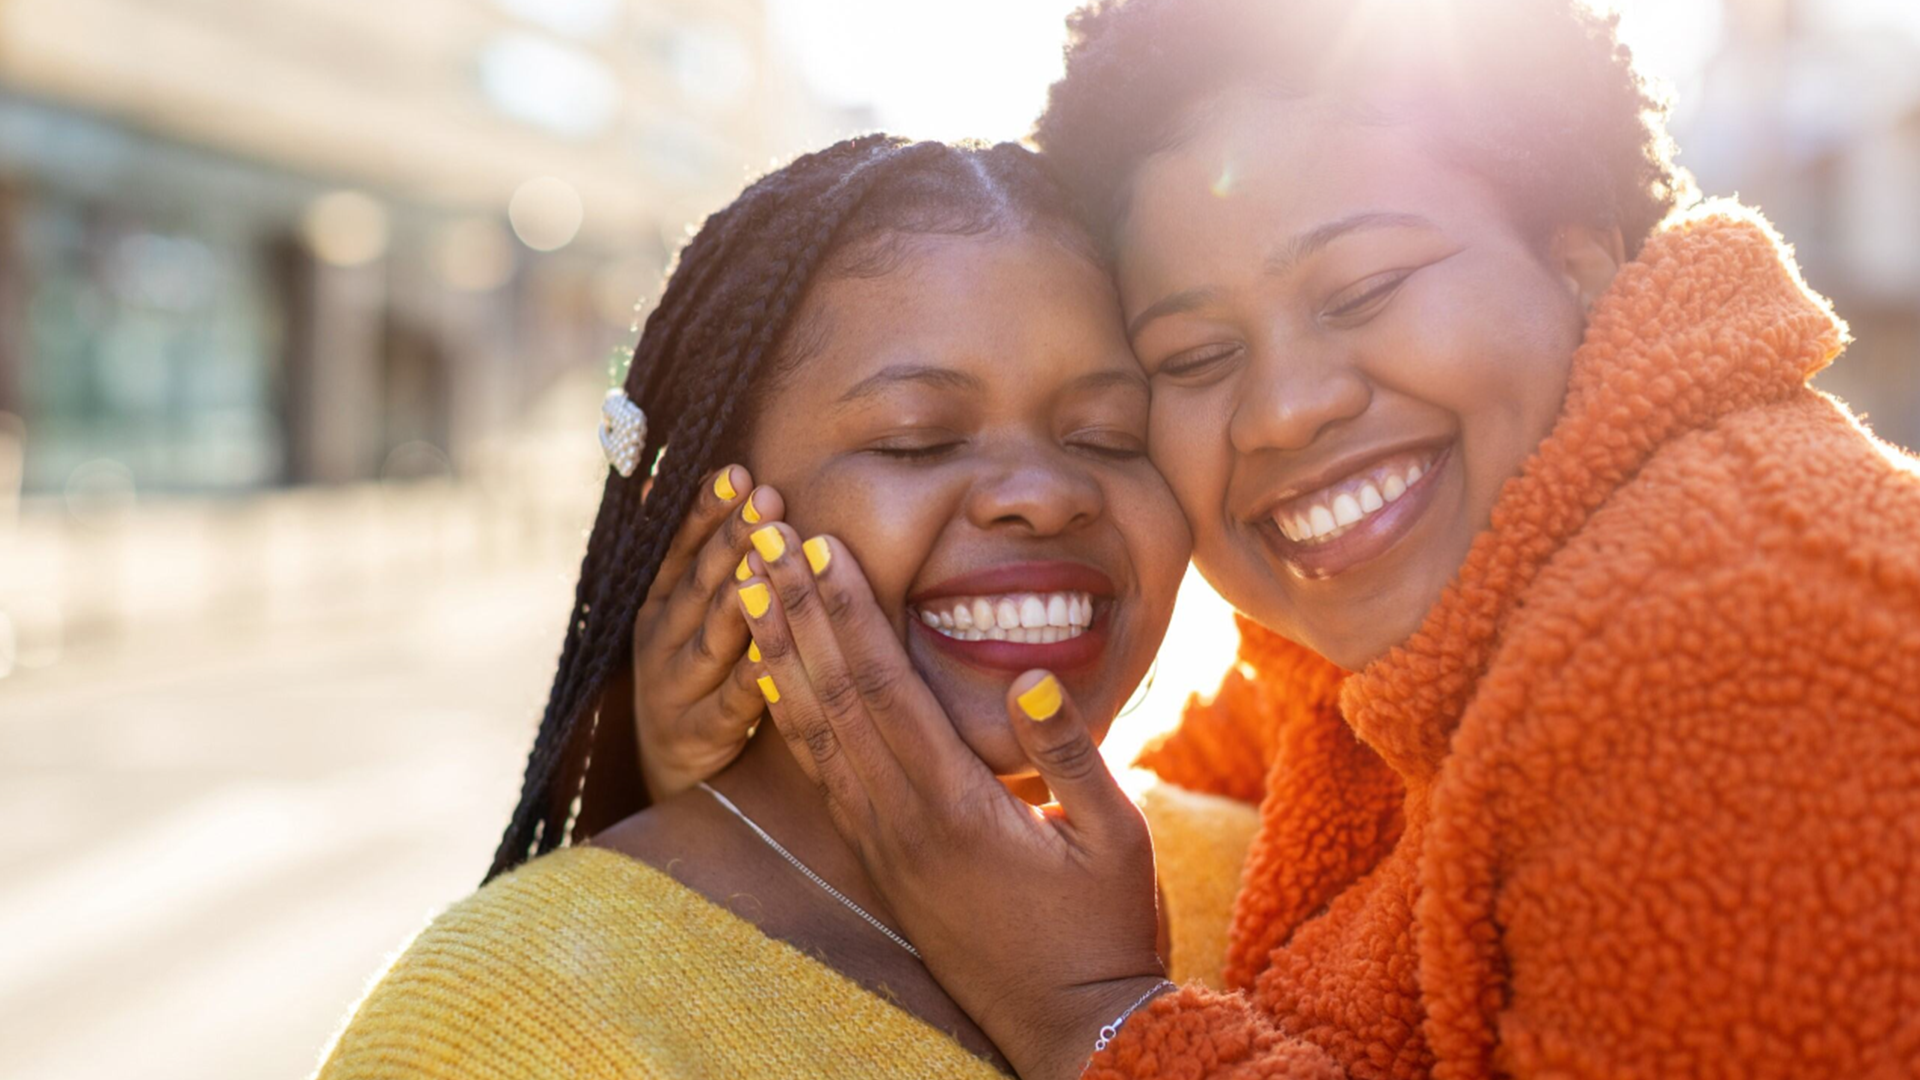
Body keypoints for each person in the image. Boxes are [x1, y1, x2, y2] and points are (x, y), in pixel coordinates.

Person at [641, 0, 1920, 1077]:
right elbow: (1199, 779)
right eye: (1194, 357)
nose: (1288, 407)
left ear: (1579, 264)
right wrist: (755, 777)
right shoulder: (1419, 628)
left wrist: (1096, 1018)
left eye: (1364, 289)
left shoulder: (1735, 644)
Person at [310, 135, 1191, 1079]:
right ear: (710, 513)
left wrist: (1106, 1014)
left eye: (1111, 434)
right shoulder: (501, 1021)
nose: (1047, 494)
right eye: (916, 441)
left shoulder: (1258, 877)